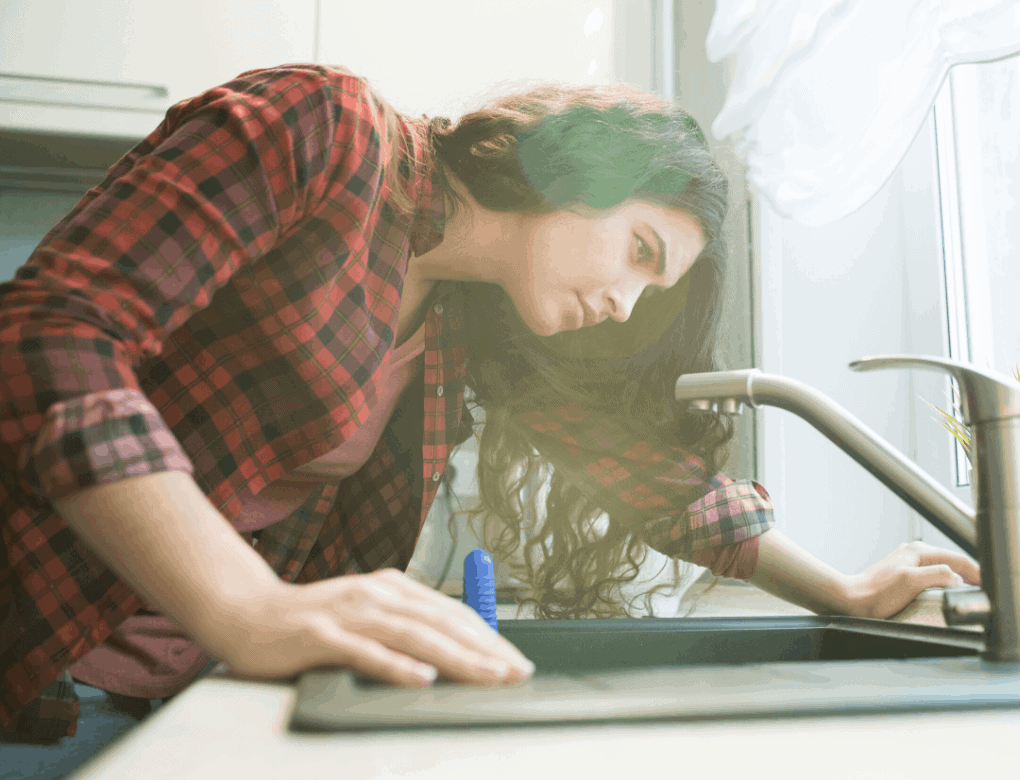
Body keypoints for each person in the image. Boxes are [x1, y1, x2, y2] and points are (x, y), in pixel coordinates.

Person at [0, 63, 980, 744]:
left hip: (184, 696)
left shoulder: (469, 319)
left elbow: (653, 481)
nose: (625, 305)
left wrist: (843, 593)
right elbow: (51, 333)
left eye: (653, 293)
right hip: (35, 667)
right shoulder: (326, 128)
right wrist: (248, 606)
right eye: (640, 253)